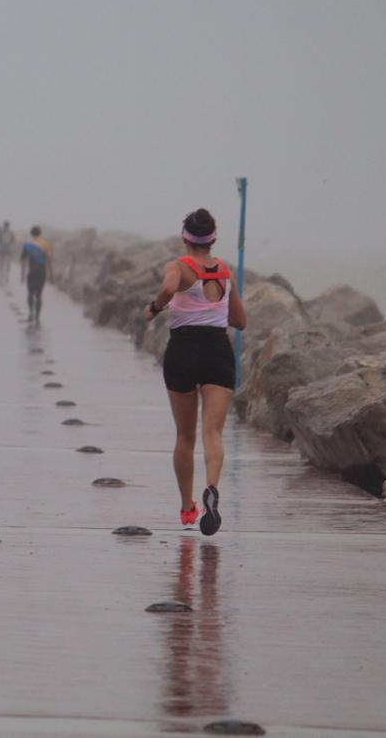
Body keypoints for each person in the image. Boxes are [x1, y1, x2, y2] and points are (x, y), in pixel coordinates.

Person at [143, 209, 247, 536]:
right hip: (218, 351)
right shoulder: (225, 273)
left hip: (183, 351)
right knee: (212, 433)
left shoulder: (179, 267)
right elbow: (240, 321)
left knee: (185, 436)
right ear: (212, 238)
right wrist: (214, 310)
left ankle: (188, 507)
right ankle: (212, 487)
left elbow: (169, 286)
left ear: (185, 237)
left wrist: (155, 308)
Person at [18, 225, 53, 326]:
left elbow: (23, 260)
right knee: (39, 295)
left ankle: (30, 314)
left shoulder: (27, 244)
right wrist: (51, 274)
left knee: (30, 293)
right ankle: (37, 316)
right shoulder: (45, 244)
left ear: (31, 233)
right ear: (40, 233)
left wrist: (22, 274)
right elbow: (49, 259)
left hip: (31, 272)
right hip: (42, 272)